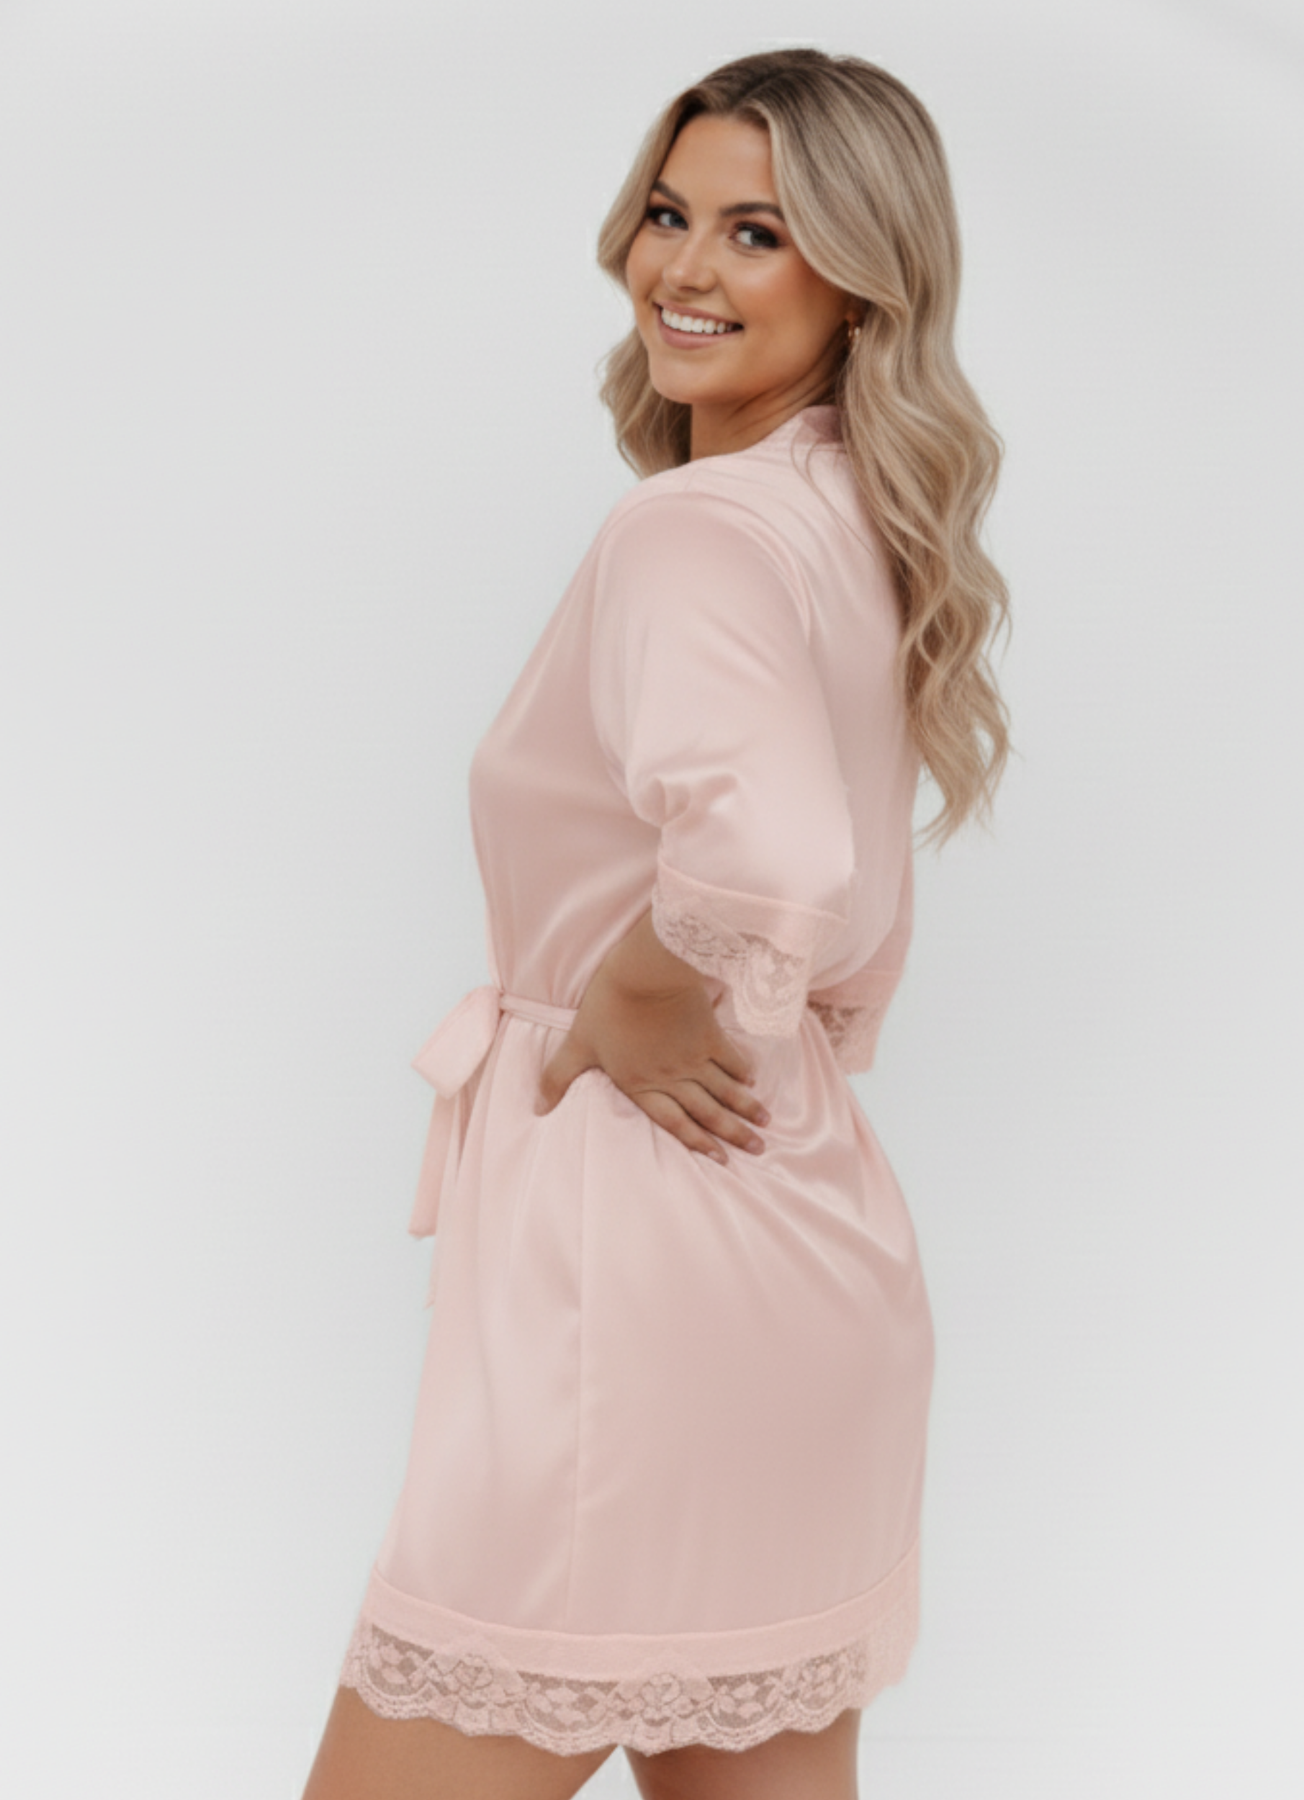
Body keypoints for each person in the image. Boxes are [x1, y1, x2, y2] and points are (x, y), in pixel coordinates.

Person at [302, 45, 1010, 1800]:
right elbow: (825, 894)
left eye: (757, 233)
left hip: (641, 1256)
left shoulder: (695, 531)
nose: (683, 268)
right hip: (804, 1229)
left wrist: (628, 993)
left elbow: (772, 854)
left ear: (863, 279)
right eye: (668, 214)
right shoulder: (850, 516)